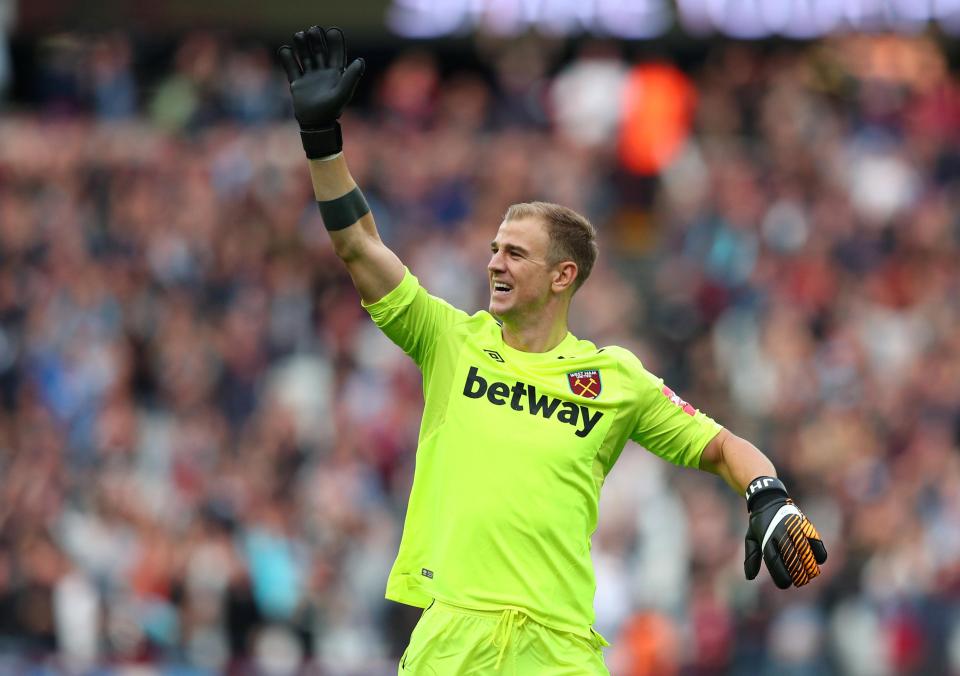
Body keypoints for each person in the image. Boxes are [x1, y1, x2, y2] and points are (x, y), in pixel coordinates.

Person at [278, 26, 827, 675]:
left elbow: (722, 446)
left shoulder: (615, 379)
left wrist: (767, 494)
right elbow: (360, 248)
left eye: (514, 253)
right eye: (492, 251)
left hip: (561, 650)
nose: (494, 265)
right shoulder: (452, 340)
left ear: (563, 276)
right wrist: (322, 144)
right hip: (456, 635)